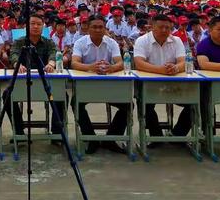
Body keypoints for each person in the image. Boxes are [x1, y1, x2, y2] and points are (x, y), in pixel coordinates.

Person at [71, 15, 128, 154]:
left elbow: (120, 63)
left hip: (109, 85)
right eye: (94, 27)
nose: (97, 30)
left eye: (100, 27)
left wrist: (112, 68)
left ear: (105, 29)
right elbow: (74, 63)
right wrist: (90, 67)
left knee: (128, 105)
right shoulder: (80, 42)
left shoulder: (111, 43)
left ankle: (111, 139)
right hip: (87, 85)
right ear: (88, 29)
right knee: (76, 103)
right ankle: (91, 139)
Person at [134, 14, 191, 143]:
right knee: (144, 104)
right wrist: (161, 70)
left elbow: (183, 61)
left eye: (167, 27)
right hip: (149, 85)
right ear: (152, 27)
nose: (164, 30)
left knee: (194, 103)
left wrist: (175, 68)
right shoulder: (142, 40)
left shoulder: (176, 40)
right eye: (161, 27)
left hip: (175, 84)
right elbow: (139, 63)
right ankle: (156, 136)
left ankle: (178, 135)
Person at [9, 14, 64, 143]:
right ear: (26, 26)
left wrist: (51, 63)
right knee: (7, 95)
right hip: (23, 83)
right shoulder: (20, 41)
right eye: (32, 23)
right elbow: (13, 54)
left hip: (45, 83)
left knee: (62, 96)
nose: (35, 27)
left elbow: (54, 52)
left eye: (38, 24)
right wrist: (17, 64)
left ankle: (56, 133)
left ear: (43, 27)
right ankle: (19, 133)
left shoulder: (48, 41)